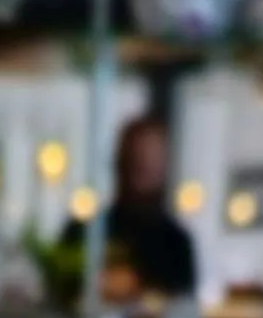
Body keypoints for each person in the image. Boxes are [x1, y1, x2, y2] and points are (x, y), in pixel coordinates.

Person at [62, 116, 197, 302]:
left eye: (152, 157)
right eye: (136, 155)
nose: (143, 163)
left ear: (164, 166)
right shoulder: (85, 229)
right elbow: (60, 293)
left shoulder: (176, 242)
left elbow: (181, 305)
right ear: (120, 161)